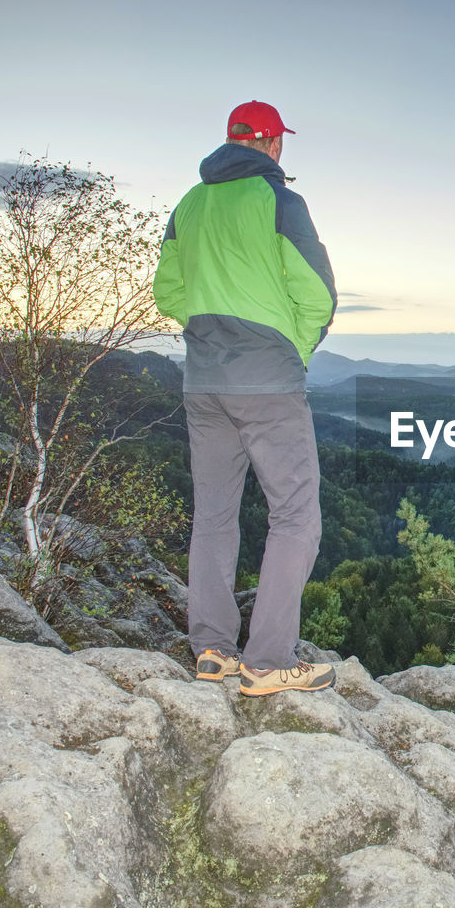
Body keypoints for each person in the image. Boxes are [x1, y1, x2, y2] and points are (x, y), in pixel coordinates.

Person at [154, 100, 337, 696]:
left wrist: (212, 335)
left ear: (230, 138)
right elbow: (318, 296)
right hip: (268, 381)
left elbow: (169, 292)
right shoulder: (281, 201)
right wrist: (292, 351)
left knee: (213, 514)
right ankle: (267, 660)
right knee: (295, 517)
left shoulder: (189, 204)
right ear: (272, 143)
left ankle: (211, 649)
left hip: (204, 380)